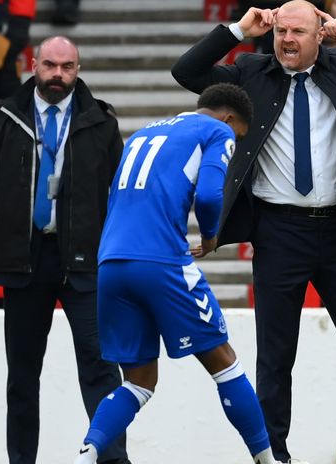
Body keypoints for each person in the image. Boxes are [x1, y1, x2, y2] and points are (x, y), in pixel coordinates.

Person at [171, 2, 336, 462]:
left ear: (320, 36)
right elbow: (186, 72)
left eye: (298, 32)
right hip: (280, 232)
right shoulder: (250, 69)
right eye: (280, 31)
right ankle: (275, 456)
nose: (286, 40)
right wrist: (236, 30)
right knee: (275, 358)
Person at [71, 83, 278, 464]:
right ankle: (269, 460)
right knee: (224, 360)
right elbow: (211, 196)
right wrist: (213, 234)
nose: (234, 143)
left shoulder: (144, 132)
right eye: (238, 136)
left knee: (138, 381)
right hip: (160, 260)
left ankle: (88, 452)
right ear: (229, 118)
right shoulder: (217, 130)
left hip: (112, 262)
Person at [0, 36, 128, 464]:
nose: (58, 74)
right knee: (22, 379)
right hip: (22, 260)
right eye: (50, 65)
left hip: (86, 263)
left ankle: (113, 460)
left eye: (67, 66)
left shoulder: (99, 120)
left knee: (102, 372)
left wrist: (120, 258)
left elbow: (121, 195)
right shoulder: (4, 117)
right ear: (34, 65)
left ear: (78, 67)